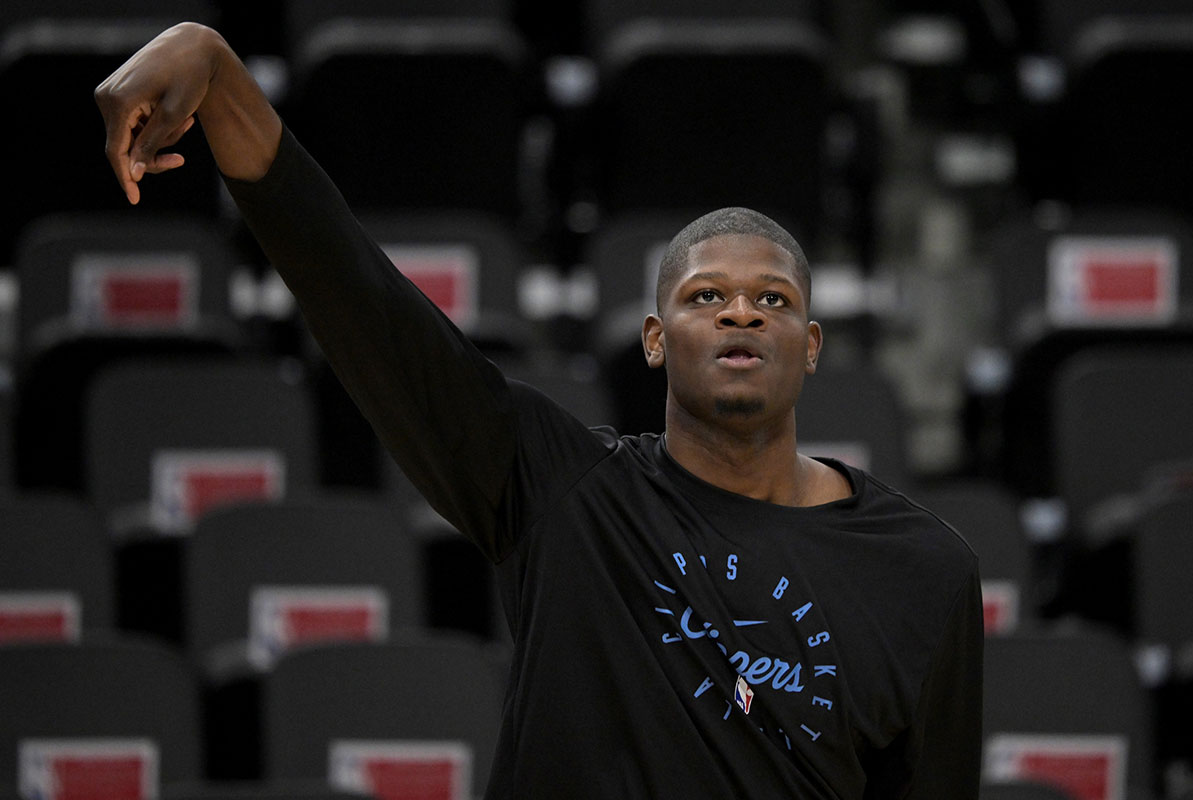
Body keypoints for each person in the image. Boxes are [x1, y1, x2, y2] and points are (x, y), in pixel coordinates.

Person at [95, 22, 983, 798]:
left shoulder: (923, 571)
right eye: (706, 296)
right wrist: (216, 71)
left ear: (815, 344)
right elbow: (363, 305)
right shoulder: (563, 491)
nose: (742, 313)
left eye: (774, 301)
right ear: (652, 340)